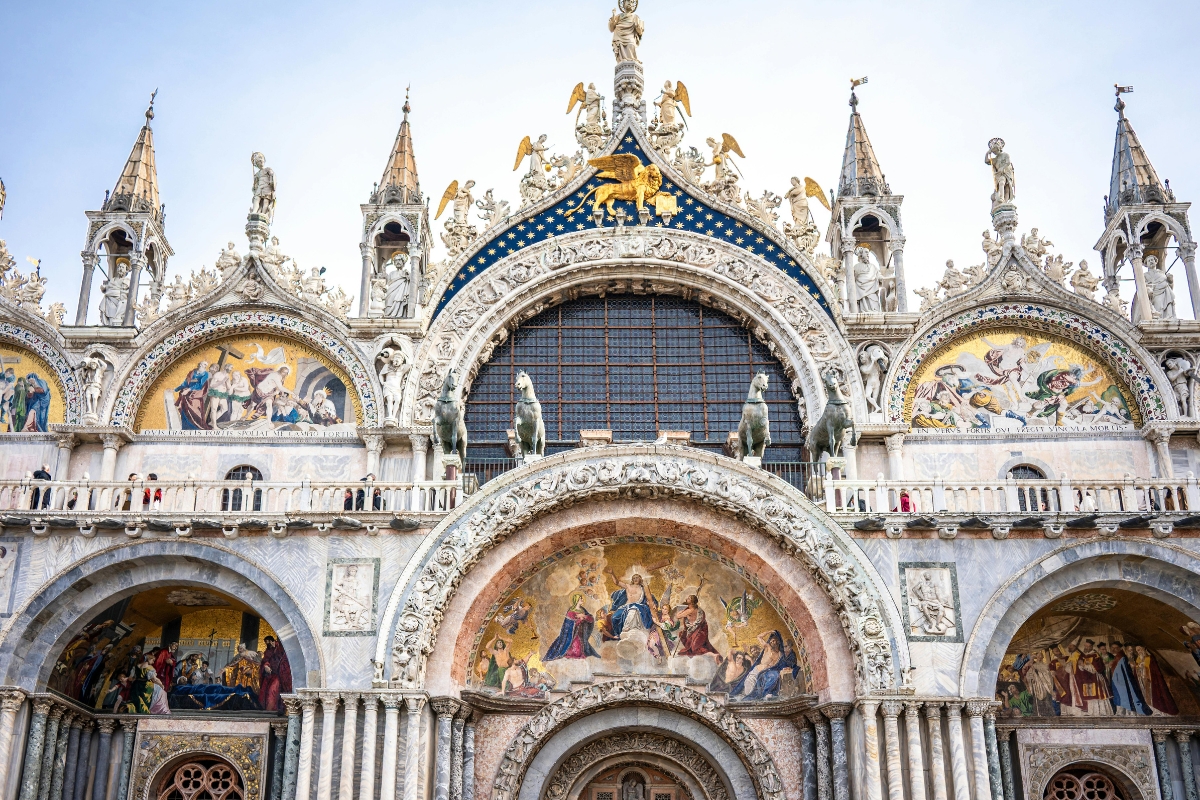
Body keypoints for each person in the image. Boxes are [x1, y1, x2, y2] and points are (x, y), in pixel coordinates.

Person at [544, 594, 600, 661]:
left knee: (582, 650)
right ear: (576, 600)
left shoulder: (583, 610)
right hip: (572, 635)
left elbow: (591, 619)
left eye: (582, 598)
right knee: (577, 652)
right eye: (580, 599)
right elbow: (569, 625)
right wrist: (580, 620)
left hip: (581, 634)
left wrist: (584, 616)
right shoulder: (571, 611)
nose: (582, 600)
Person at [258, 636, 292, 712]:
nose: (267, 643)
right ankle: (270, 710)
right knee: (267, 691)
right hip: (271, 675)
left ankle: (274, 710)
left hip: (280, 675)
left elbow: (285, 661)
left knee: (272, 690)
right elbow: (266, 659)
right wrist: (266, 665)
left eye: (267, 641)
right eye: (265, 642)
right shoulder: (269, 650)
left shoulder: (281, 648)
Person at [174, 361, 211, 430]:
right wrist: (176, 389)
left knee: (196, 413)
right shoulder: (192, 372)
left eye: (206, 365)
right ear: (199, 364)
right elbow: (186, 383)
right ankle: (186, 429)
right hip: (186, 395)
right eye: (204, 364)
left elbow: (200, 384)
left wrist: (188, 390)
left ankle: (197, 430)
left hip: (195, 396)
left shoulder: (205, 374)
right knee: (185, 412)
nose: (205, 366)